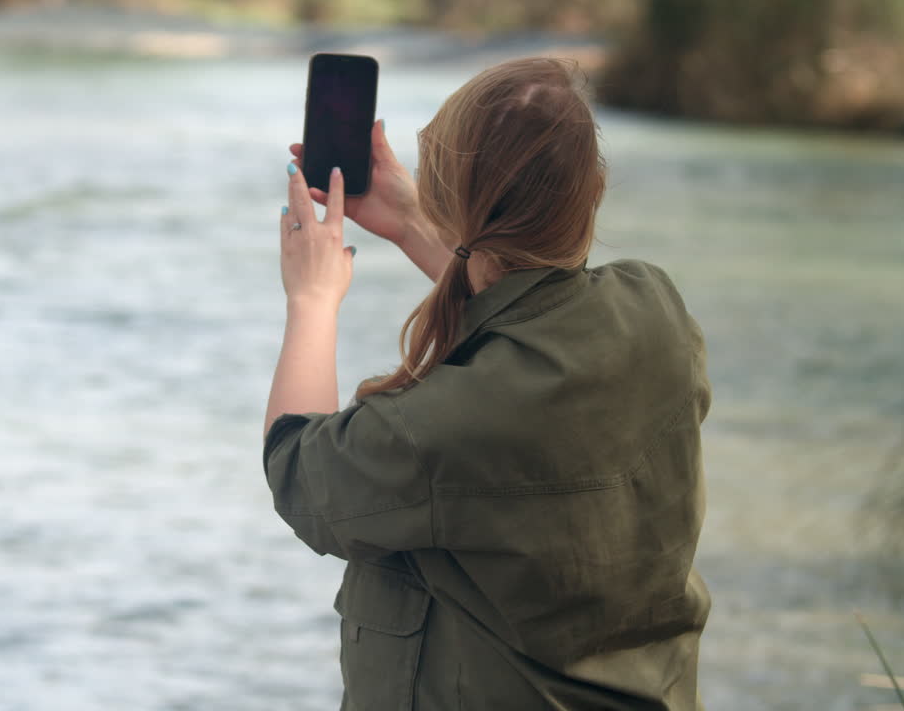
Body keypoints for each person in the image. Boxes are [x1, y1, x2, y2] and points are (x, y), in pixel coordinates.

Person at [263, 57, 711, 711]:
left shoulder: (441, 428)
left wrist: (312, 299)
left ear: (456, 205)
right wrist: (418, 223)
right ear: (595, 188)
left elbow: (298, 470)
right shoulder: (657, 315)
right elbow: (539, 308)